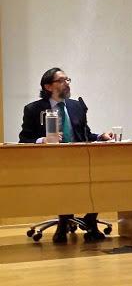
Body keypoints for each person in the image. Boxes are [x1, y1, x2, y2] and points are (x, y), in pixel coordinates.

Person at [19, 67, 113, 242]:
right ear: (48, 86)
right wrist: (42, 140)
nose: (67, 84)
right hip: (50, 162)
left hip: (79, 159)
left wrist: (100, 136)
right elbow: (24, 139)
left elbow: (84, 133)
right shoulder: (33, 109)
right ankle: (63, 220)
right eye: (62, 80)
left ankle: (90, 220)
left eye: (68, 80)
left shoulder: (76, 106)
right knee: (63, 177)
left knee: (102, 174)